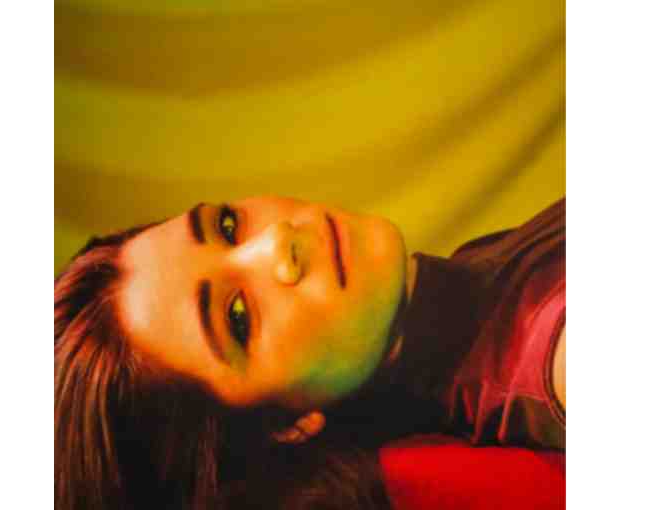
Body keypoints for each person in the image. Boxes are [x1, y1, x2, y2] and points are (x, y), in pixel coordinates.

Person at [55, 196, 565, 510]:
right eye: (238, 317)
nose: (277, 242)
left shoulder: (471, 297)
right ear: (287, 426)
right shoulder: (544, 355)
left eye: (227, 226)